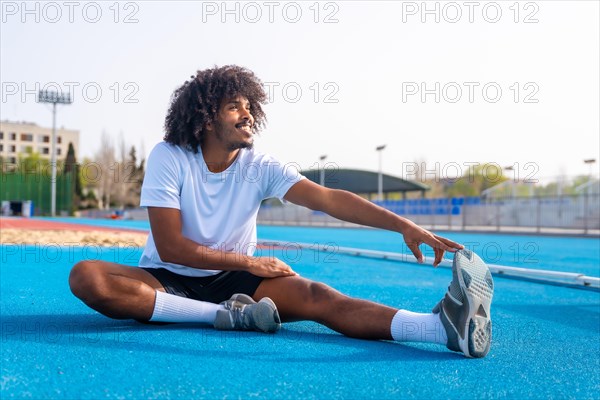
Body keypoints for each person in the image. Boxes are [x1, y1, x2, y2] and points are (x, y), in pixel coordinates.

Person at [69, 65, 494, 358]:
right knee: (87, 277)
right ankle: (223, 315)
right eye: (235, 106)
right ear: (204, 118)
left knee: (319, 296)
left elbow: (330, 199)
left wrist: (402, 224)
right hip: (168, 277)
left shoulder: (261, 167)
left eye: (249, 106)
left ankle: (439, 329)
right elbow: (172, 246)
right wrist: (250, 261)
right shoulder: (171, 155)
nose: (248, 113)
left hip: (238, 281)